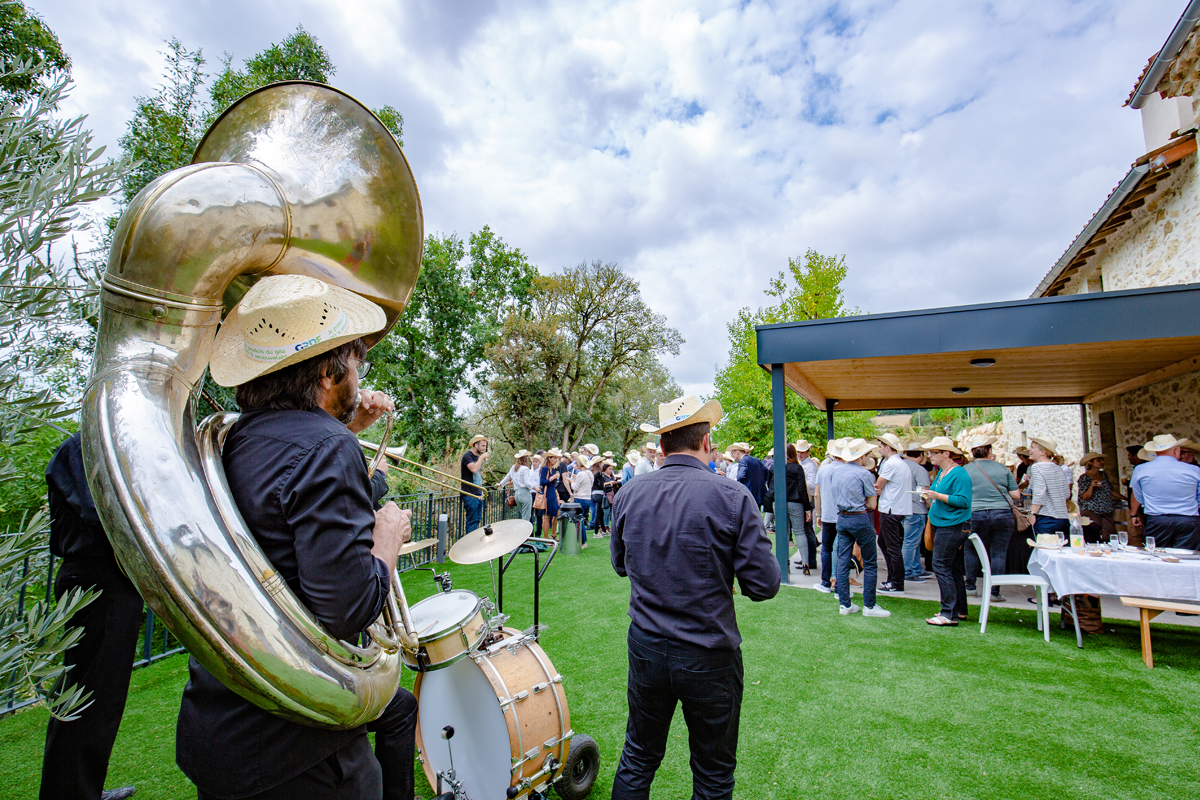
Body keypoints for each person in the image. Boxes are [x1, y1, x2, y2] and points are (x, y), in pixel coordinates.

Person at [177, 274, 417, 800]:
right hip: (297, 748)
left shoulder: (235, 437)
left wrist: (345, 435)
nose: (360, 376)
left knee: (400, 711)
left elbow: (282, 501)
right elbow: (346, 608)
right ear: (330, 372)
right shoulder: (326, 449)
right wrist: (387, 539)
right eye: (358, 364)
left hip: (223, 718)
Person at [610, 396, 780, 800]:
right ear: (706, 443)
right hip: (707, 651)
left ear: (664, 446)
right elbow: (765, 585)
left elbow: (620, 564)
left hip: (648, 645)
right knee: (713, 772)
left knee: (638, 755)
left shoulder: (630, 493)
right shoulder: (732, 495)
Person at [39, 433, 142, 800]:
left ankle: (81, 790)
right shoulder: (85, 445)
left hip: (103, 580)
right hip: (97, 580)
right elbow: (100, 513)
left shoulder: (90, 444)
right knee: (88, 699)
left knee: (95, 696)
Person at [828, 439, 889, 617]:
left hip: (842, 518)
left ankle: (845, 604)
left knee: (842, 560)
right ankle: (870, 606)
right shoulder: (865, 474)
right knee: (870, 562)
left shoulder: (836, 471)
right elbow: (871, 504)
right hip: (859, 518)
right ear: (862, 456)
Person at [919, 437, 973, 627]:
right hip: (944, 523)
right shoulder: (943, 471)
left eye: (933, 452)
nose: (929, 456)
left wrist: (937, 496)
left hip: (953, 525)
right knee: (954, 567)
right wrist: (930, 497)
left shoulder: (959, 474)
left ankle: (948, 613)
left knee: (940, 565)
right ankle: (959, 609)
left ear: (946, 453)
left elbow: (964, 501)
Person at [961, 436, 1020, 602]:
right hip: (1002, 513)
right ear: (990, 451)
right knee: (998, 553)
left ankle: (970, 587)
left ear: (973, 452)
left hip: (974, 513)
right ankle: (994, 591)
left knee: (970, 550)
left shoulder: (966, 469)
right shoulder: (1002, 469)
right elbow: (1016, 495)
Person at [1130, 434, 1200, 550]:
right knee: (1187, 558)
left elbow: (1139, 496)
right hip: (1188, 518)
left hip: (1157, 518)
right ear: (1176, 450)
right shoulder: (1194, 470)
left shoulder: (1141, 470)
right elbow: (1199, 496)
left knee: (1155, 556)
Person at [874, 433, 912, 595]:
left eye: (880, 446)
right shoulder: (902, 463)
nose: (878, 449)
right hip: (897, 509)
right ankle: (892, 578)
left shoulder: (891, 464)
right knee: (884, 543)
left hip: (890, 509)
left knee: (892, 547)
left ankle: (896, 583)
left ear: (888, 447)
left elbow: (878, 485)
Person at [812, 438, 849, 593]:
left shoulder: (824, 469)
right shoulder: (847, 470)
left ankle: (826, 581)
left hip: (827, 515)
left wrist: (818, 513)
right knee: (841, 550)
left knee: (827, 548)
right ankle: (839, 584)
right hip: (844, 514)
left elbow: (816, 494)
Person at [1024, 436, 1070, 537]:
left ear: (1042, 452)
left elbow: (1039, 493)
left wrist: (1033, 513)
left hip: (1046, 517)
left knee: (1043, 549)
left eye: (1032, 447)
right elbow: (1067, 494)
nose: (1029, 449)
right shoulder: (1058, 468)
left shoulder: (1037, 467)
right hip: (1063, 517)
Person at [783, 444, 815, 574]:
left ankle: (785, 563)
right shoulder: (797, 468)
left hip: (781, 503)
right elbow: (802, 489)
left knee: (784, 533)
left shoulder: (779, 468)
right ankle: (805, 563)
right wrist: (807, 509)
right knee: (800, 532)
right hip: (796, 503)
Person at [901, 445, 931, 584]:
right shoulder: (919, 469)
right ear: (921, 455)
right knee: (911, 542)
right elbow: (924, 491)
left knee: (911, 541)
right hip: (917, 509)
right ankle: (907, 571)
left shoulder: (900, 466)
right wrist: (932, 506)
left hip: (902, 508)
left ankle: (916, 568)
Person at [1077, 452, 1122, 543]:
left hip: (1106, 510)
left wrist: (1126, 498)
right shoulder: (1084, 478)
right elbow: (1085, 497)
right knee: (1094, 536)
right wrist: (1092, 486)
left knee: (1109, 536)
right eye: (1098, 460)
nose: (1102, 462)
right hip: (1091, 511)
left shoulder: (1103, 475)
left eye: (1102, 460)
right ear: (1091, 462)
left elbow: (1111, 490)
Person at [460, 434, 489, 533]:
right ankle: (470, 545)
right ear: (476, 445)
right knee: (471, 521)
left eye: (485, 446)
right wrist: (482, 458)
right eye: (483, 446)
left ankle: (474, 544)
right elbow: (474, 469)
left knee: (477, 520)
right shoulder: (467, 456)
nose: (484, 448)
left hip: (477, 493)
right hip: (469, 493)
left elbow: (478, 476)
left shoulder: (477, 457)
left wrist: (481, 491)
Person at [729, 443, 766, 509]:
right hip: (758, 495)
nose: (732, 456)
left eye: (732, 453)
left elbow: (741, 476)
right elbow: (766, 472)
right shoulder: (757, 460)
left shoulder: (743, 461)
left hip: (748, 495)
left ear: (737, 452)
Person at [540, 449, 564, 539]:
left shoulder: (551, 468)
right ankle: (546, 538)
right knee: (547, 516)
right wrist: (553, 477)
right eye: (554, 458)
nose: (555, 460)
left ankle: (553, 534)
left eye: (556, 459)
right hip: (548, 494)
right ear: (549, 458)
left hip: (553, 493)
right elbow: (542, 482)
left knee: (556, 513)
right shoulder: (545, 468)